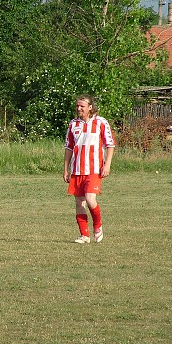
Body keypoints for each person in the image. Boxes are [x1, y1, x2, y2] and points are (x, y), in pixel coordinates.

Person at [63, 94, 116, 243]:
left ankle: (98, 226)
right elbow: (68, 147)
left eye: (82, 106)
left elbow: (110, 144)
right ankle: (84, 235)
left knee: (90, 198)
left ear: (90, 107)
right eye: (77, 106)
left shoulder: (101, 122)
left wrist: (107, 165)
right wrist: (66, 169)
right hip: (77, 169)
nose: (79, 108)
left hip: (94, 168)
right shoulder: (73, 124)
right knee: (79, 202)